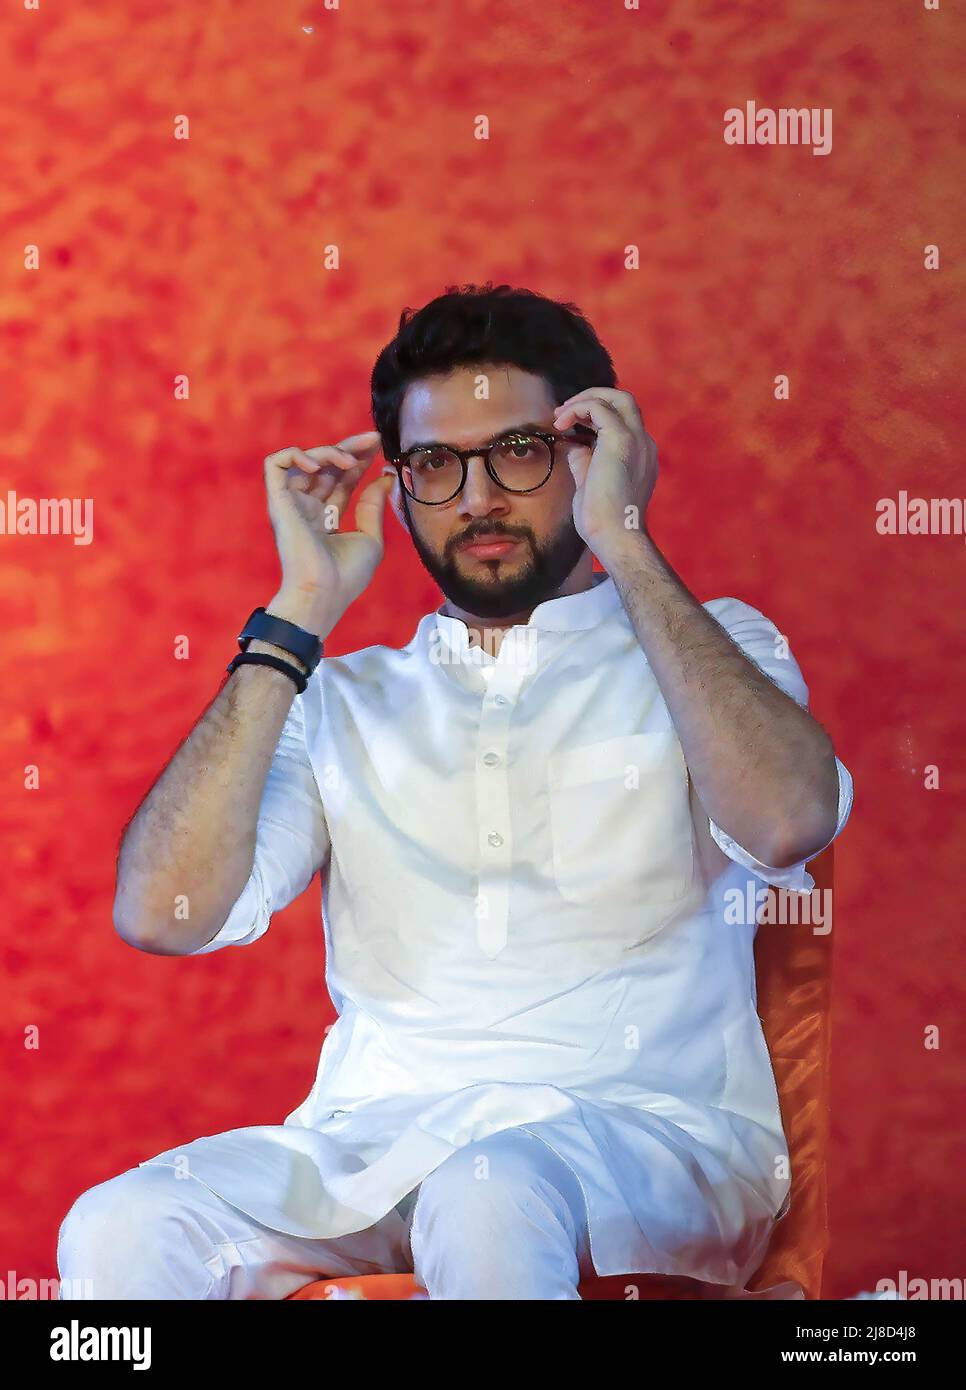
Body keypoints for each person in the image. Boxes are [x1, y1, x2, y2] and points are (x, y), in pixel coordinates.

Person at [57, 283, 853, 1300]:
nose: (477, 499)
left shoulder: (718, 647)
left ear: (590, 452)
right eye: (436, 464)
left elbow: (788, 821)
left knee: (486, 1190)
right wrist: (296, 616)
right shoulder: (342, 698)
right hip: (374, 1147)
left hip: (644, 1145)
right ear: (399, 484)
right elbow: (160, 913)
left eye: (519, 451)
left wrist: (625, 535)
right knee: (120, 1223)